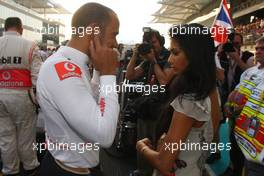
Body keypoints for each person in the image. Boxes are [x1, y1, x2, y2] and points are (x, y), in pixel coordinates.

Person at [37, 3, 120, 176]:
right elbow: (104, 135)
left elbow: (94, 107)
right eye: (114, 34)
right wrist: (108, 75)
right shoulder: (60, 68)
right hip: (68, 171)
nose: (115, 43)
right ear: (94, 30)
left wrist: (98, 70)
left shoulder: (72, 63)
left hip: (78, 167)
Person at [136, 23, 220, 176]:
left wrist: (141, 147)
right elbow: (211, 136)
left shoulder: (188, 101)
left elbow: (164, 163)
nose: (169, 59)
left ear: (194, 55)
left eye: (175, 53)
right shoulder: (211, 89)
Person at [0, 17, 42, 176]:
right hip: (22, 96)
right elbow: (38, 76)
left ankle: (10, 169)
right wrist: (37, 99)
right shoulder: (30, 46)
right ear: (21, 28)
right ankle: (30, 167)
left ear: (5, 28)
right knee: (26, 135)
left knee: (5, 136)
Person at [226, 36, 264, 176]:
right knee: (236, 152)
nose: (258, 51)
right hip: (239, 124)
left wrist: (242, 109)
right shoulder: (250, 71)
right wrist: (228, 103)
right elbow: (237, 89)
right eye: (257, 48)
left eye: (262, 49)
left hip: (256, 134)